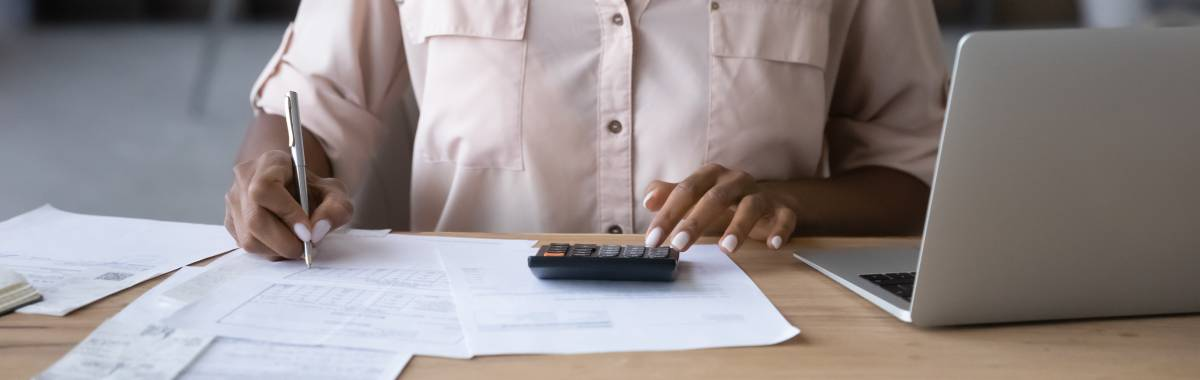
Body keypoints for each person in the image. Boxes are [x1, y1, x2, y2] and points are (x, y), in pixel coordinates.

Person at [224, 0, 947, 260]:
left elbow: (918, 172)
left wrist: (791, 201)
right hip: (476, 339)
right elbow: (306, 104)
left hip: (763, 334)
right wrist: (276, 177)